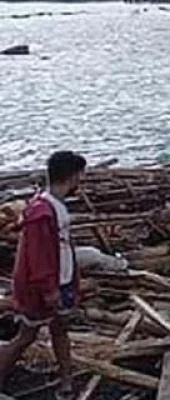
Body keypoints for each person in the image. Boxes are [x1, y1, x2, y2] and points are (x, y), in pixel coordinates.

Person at [0, 150, 87, 398]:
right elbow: (39, 257)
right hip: (42, 288)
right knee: (26, 335)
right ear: (72, 177)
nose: (81, 182)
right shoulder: (42, 213)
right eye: (80, 176)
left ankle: (66, 382)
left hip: (61, 281)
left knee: (61, 329)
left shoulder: (52, 206)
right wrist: (49, 290)